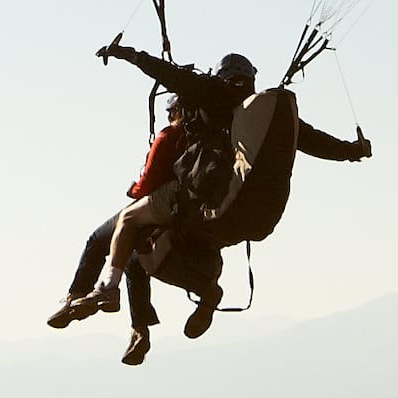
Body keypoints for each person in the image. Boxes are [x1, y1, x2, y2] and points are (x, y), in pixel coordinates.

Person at [50, 46, 253, 365]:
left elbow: (146, 185)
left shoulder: (179, 129)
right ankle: (138, 331)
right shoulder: (245, 119)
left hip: (173, 200)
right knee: (134, 259)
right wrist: (352, 151)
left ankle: (81, 297)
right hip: (205, 204)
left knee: (107, 234)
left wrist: (129, 55)